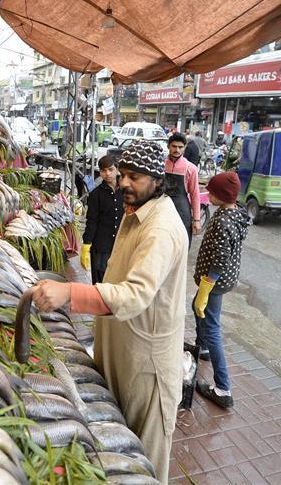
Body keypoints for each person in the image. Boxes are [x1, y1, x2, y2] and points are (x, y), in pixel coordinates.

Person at [28, 140, 188, 483]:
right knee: (119, 447)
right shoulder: (136, 210)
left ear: (158, 181)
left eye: (135, 177)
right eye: (122, 173)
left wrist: (69, 292)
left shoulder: (160, 228)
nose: (124, 182)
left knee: (143, 464)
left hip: (146, 365)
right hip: (121, 350)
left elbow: (133, 295)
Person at [193, 172, 250, 409]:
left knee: (212, 327)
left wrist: (206, 288)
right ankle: (203, 347)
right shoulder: (234, 212)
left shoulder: (225, 221)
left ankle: (223, 388)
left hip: (215, 282)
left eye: (212, 193)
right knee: (198, 309)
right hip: (221, 279)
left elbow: (220, 260)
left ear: (223, 196)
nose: (209, 196)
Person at [81, 155, 125, 283]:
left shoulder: (126, 191)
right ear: (100, 172)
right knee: (101, 281)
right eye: (103, 170)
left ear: (117, 170)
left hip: (121, 244)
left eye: (111, 169)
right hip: (101, 246)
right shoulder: (96, 194)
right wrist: (86, 243)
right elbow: (92, 220)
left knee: (119, 281)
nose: (107, 173)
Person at [165, 133, 201, 245]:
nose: (177, 150)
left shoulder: (191, 168)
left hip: (182, 211)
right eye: (174, 146)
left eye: (180, 147)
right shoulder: (161, 164)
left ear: (184, 147)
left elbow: (195, 194)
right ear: (168, 146)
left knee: (182, 242)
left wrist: (196, 219)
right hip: (162, 209)